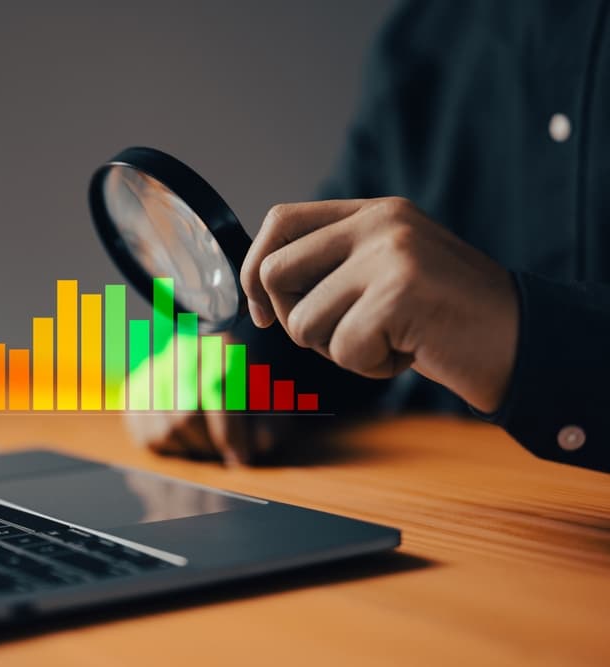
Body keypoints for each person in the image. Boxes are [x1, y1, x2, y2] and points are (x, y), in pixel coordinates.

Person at [128, 1, 610, 473]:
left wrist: (520, 335)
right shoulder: (424, 34)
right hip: (444, 500)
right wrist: (242, 359)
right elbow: (352, 286)